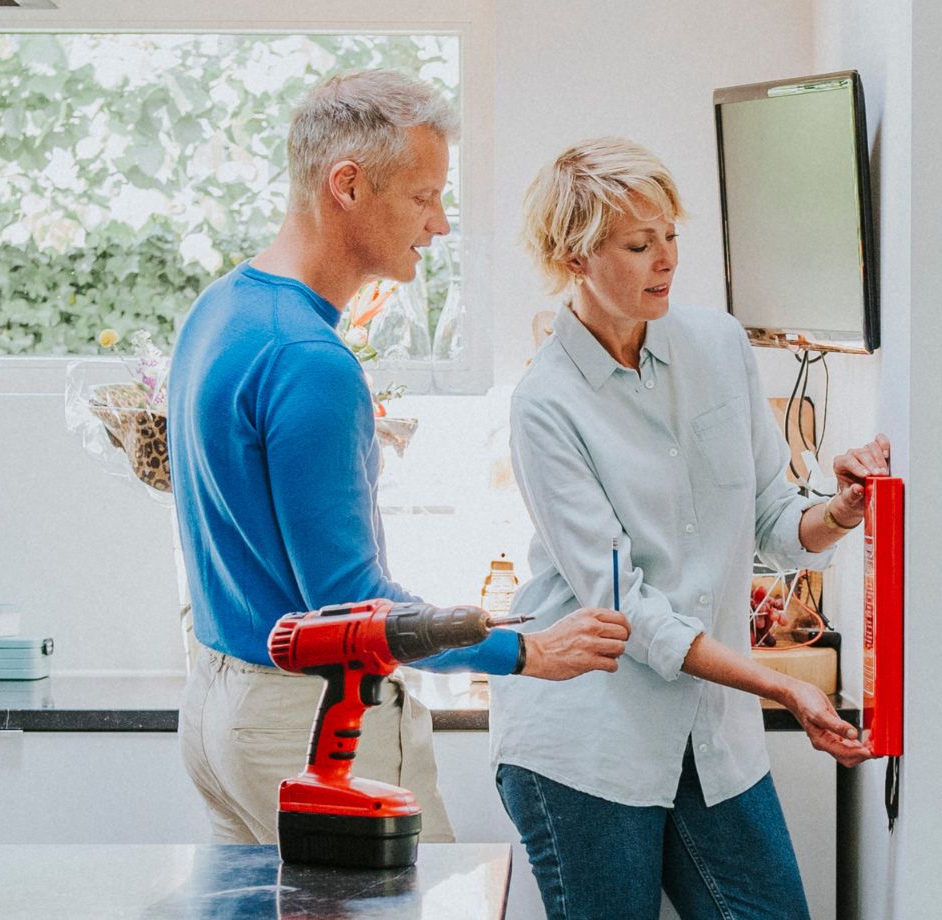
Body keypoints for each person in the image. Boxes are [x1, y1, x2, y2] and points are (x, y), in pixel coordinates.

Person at [168, 70, 633, 845]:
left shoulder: (222, 309)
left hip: (222, 707)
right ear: (346, 185)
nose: (439, 224)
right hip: (309, 722)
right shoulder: (309, 360)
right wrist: (524, 650)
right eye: (423, 196)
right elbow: (349, 601)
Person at [497, 136, 891, 920]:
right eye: (640, 245)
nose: (666, 259)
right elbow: (626, 611)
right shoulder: (546, 405)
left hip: (711, 738)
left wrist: (840, 511)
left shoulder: (718, 346)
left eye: (671, 235)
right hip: (588, 746)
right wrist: (781, 685)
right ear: (576, 258)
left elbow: (775, 523)